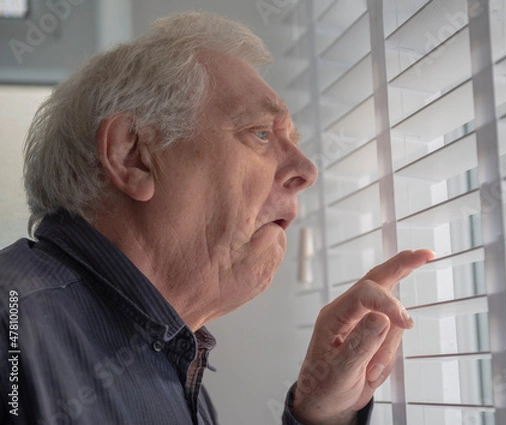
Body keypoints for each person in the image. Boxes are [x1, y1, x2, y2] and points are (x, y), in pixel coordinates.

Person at [0, 11, 434, 425]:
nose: (306, 169)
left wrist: (319, 415)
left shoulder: (172, 351)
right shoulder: (11, 328)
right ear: (133, 156)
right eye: (261, 133)